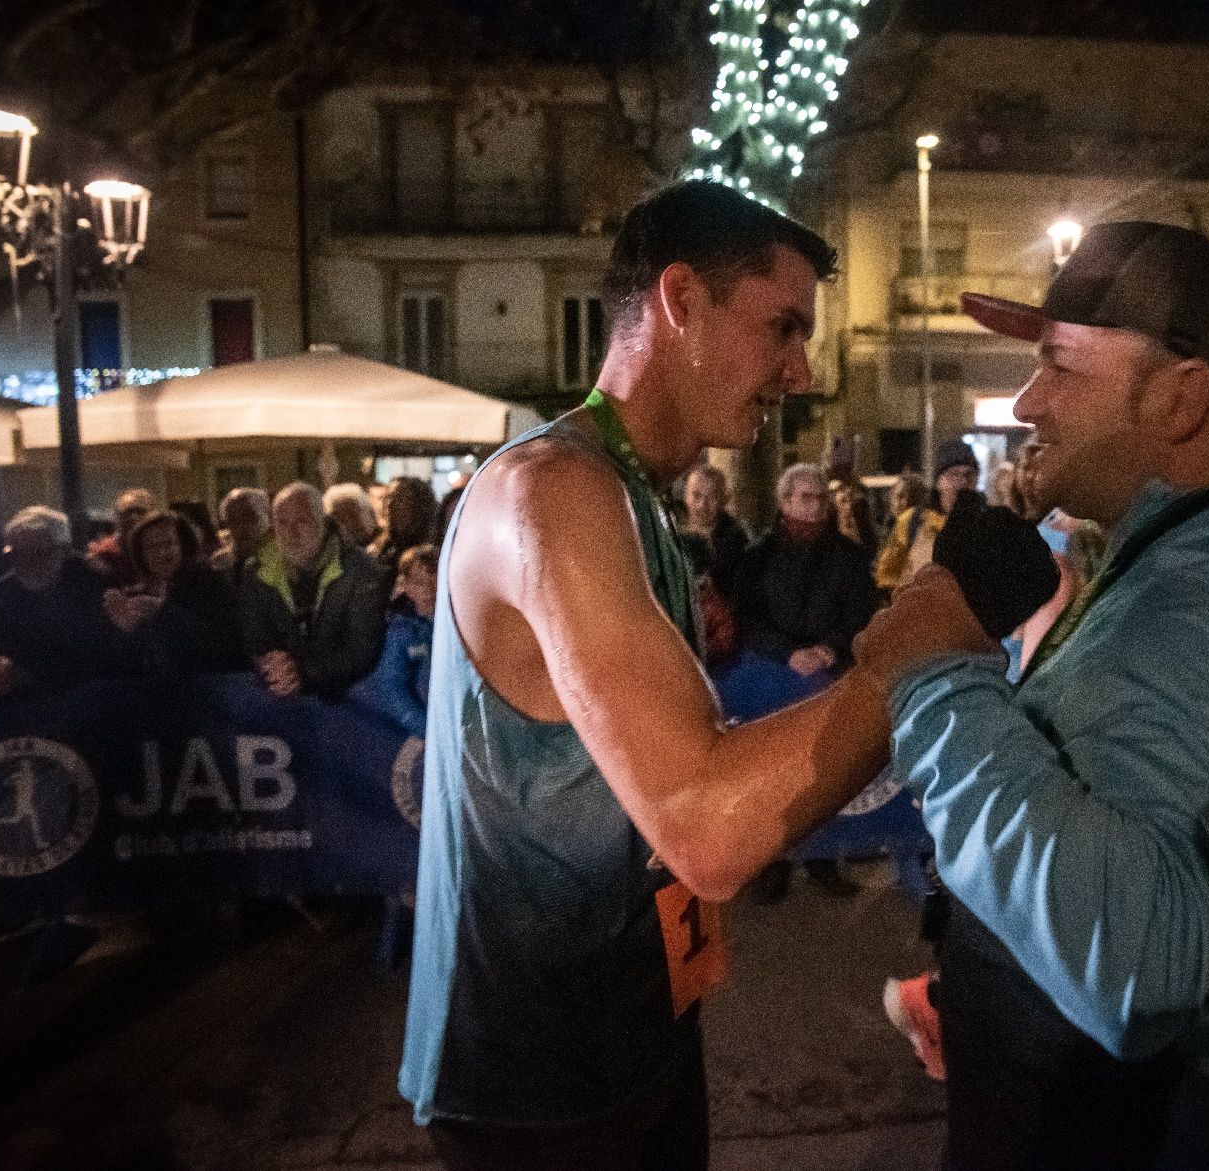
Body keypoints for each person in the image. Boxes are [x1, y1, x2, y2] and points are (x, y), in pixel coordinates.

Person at [399, 180, 893, 1171]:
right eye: (782, 328)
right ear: (680, 299)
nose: (800, 372)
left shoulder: (621, 496)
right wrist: (919, 650)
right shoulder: (558, 491)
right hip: (537, 1081)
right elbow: (706, 823)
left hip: (621, 1032)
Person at [852, 220, 1209, 1169]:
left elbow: (1134, 964)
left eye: (1063, 368)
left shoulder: (1201, 609)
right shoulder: (1169, 564)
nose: (1029, 403)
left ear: (1182, 397)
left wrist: (938, 677)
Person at [726, 462, 879, 900]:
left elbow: (862, 614)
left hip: (828, 678)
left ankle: (823, 859)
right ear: (785, 502)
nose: (817, 507)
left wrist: (830, 649)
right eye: (807, 498)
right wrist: (786, 652)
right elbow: (747, 617)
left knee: (823, 772)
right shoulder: (759, 557)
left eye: (822, 499)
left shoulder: (848, 557)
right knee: (771, 776)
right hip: (773, 681)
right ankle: (771, 861)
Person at [237, 481, 387, 699]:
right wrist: (272, 665)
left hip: (348, 696)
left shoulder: (360, 570)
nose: (292, 532)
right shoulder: (258, 572)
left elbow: (361, 650)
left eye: (302, 521)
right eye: (283, 523)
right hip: (282, 693)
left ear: (322, 522)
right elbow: (255, 638)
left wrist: (302, 673)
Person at [0, 507, 119, 697]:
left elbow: (107, 643)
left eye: (40, 552)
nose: (29, 562)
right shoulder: (1, 593)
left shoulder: (89, 579)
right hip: (28, 697)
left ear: (62, 550)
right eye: (18, 553)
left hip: (90, 689)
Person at [104, 510, 244, 675]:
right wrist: (125, 631)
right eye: (152, 546)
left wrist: (163, 611)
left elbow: (221, 646)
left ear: (184, 546)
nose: (162, 553)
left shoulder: (210, 584)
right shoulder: (137, 595)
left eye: (169, 543)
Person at [350, 543, 439, 739]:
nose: (428, 589)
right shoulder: (401, 632)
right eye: (418, 581)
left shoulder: (462, 622)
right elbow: (392, 689)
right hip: (430, 729)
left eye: (434, 579)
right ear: (406, 586)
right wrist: (430, 730)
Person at [875, 440, 979, 591]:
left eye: (969, 475)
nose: (962, 482)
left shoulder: (986, 524)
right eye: (953, 474)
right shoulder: (913, 521)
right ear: (939, 481)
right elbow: (886, 577)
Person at [678, 462, 750, 594]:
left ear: (724, 499)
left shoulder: (735, 540)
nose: (702, 505)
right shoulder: (674, 533)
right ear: (685, 496)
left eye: (712, 497)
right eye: (696, 495)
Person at [86, 488, 158, 586]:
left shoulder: (161, 551)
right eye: (128, 512)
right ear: (116, 518)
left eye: (140, 511)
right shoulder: (103, 555)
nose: (134, 517)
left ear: (154, 516)